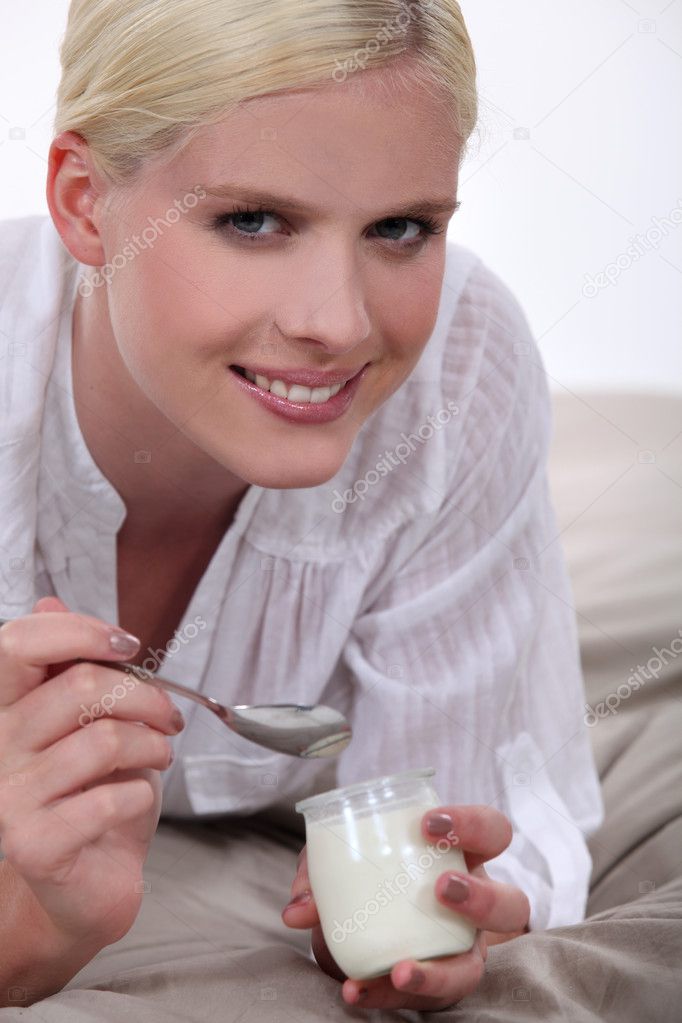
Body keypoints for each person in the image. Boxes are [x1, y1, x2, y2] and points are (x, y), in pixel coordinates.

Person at [0, 0, 604, 1014]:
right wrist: (29, 934)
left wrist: (416, 923)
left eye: (400, 228)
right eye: (252, 221)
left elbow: (465, 835)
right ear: (84, 200)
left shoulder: (460, 370)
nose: (338, 323)